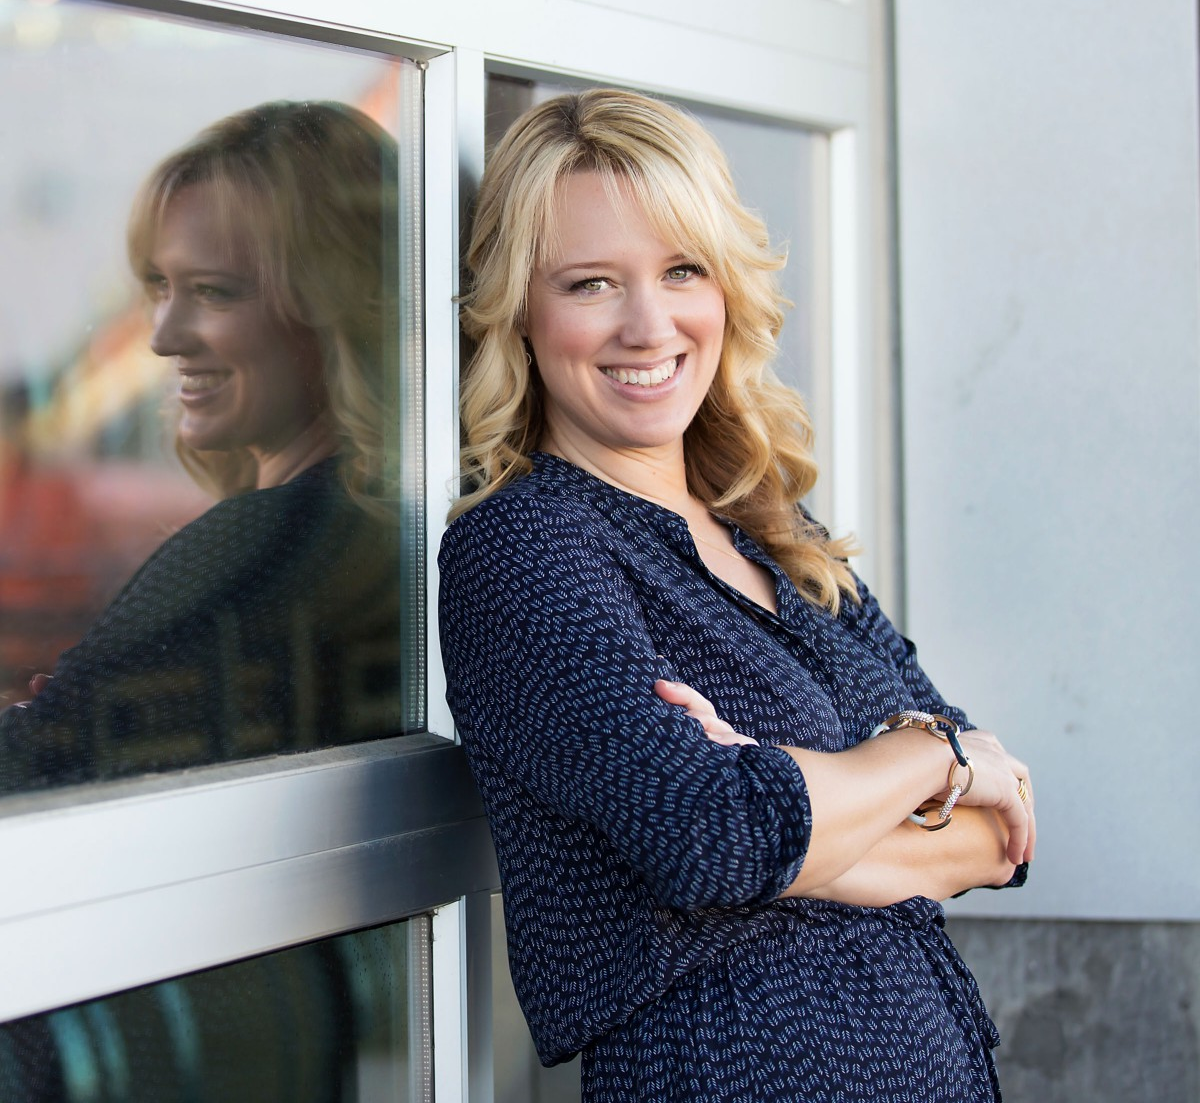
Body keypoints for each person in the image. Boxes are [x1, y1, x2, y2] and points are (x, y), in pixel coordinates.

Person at [438, 89, 1035, 1101]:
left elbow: (998, 834)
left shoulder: (776, 527)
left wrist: (785, 811)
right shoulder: (524, 550)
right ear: (520, 314)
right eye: (590, 283)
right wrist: (921, 757)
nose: (648, 323)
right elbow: (711, 834)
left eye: (682, 270)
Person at [0, 101, 407, 794]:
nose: (163, 336)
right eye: (160, 286)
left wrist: (49, 717)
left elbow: (29, 766)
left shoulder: (263, 542)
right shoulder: (384, 525)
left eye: (214, 292)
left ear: (335, 305)